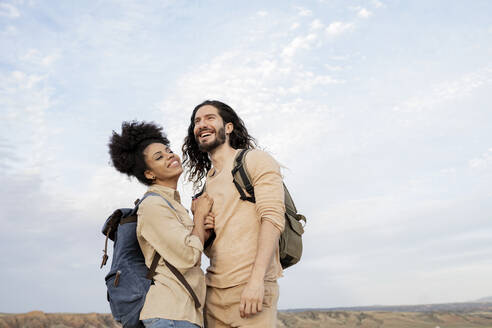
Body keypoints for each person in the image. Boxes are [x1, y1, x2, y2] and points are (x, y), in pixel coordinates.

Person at [182, 100, 285, 327]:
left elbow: (272, 219)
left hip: (251, 289)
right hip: (213, 293)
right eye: (197, 121)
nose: (201, 124)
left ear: (228, 127)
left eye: (210, 118)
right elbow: (207, 247)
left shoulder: (253, 160)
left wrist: (256, 281)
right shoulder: (205, 187)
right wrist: (202, 223)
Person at [108, 120, 214, 328]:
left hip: (183, 314)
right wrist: (200, 217)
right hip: (169, 316)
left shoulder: (173, 205)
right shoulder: (153, 205)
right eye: (159, 157)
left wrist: (203, 231)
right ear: (149, 174)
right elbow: (187, 256)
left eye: (168, 151)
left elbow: (186, 253)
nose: (169, 156)